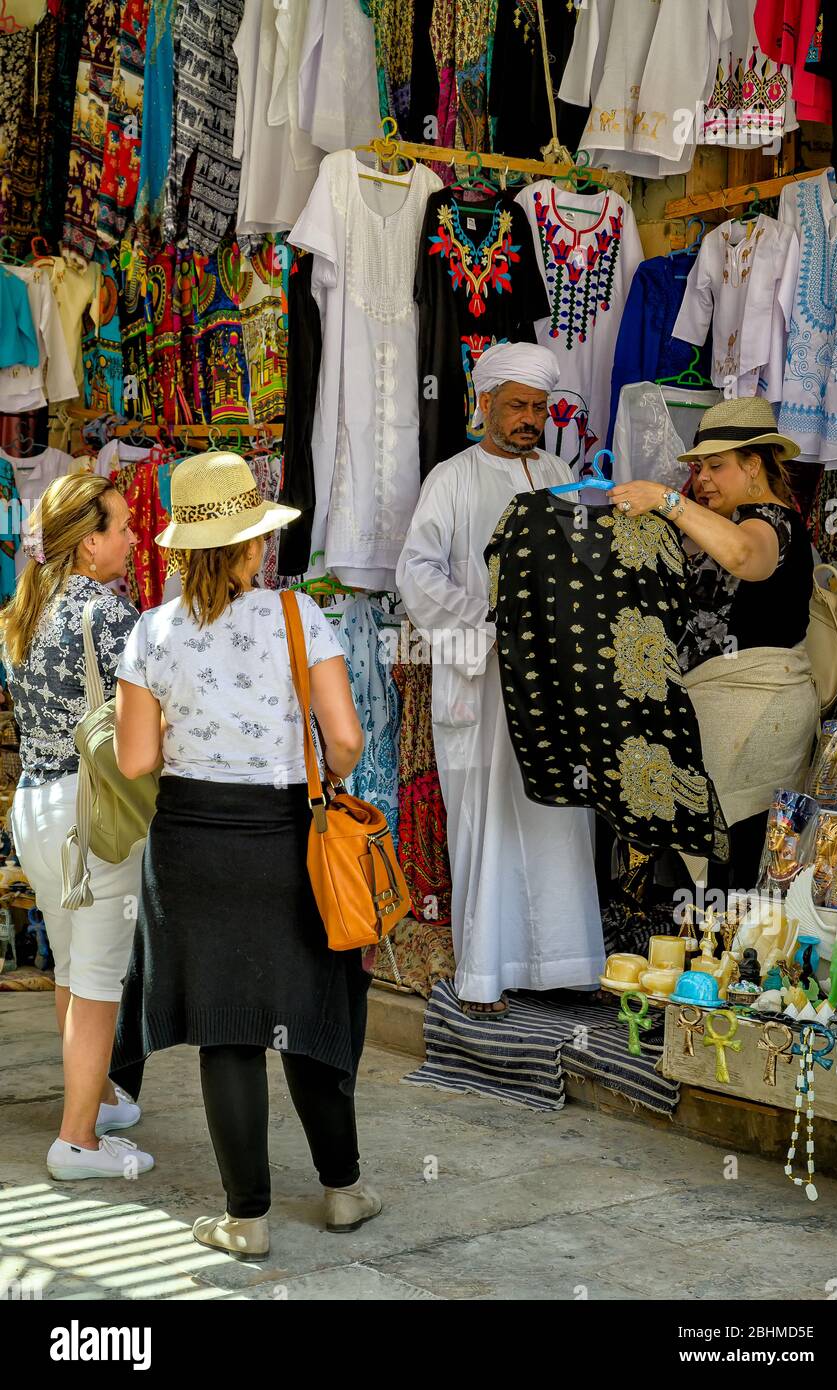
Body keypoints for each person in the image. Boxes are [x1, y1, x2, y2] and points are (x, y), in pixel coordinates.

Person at [111, 451, 379, 1261]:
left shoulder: (151, 632)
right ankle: (343, 1191)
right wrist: (320, 774)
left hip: (190, 846)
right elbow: (345, 740)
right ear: (251, 543)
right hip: (287, 838)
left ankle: (246, 1219)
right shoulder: (299, 616)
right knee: (310, 1014)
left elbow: (134, 760)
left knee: (226, 1029)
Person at [396, 343, 605, 1019]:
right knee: (485, 820)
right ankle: (485, 972)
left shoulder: (560, 473)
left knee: (558, 817)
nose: (530, 419)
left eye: (539, 407)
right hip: (482, 679)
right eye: (517, 405)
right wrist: (487, 624)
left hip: (552, 681)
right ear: (484, 403)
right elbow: (416, 572)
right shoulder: (452, 478)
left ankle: (566, 965)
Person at [0, 474, 154, 1180]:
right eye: (122, 526)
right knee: (98, 978)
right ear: (89, 542)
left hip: (35, 808)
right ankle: (77, 1141)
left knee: (72, 964)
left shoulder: (23, 611)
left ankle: (98, 1098)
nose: (134, 537)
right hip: (92, 810)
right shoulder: (109, 614)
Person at [609, 397, 818, 893]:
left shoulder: (770, 520)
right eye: (698, 467)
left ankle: (723, 938)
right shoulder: (724, 523)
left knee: (735, 855)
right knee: (725, 859)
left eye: (716, 465)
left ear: (754, 464)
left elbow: (747, 557)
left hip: (754, 711)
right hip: (724, 711)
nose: (702, 478)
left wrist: (666, 499)